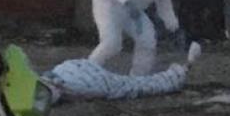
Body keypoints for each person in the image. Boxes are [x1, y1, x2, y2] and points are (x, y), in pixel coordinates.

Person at [42, 43, 202, 103]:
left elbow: (54, 93)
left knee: (137, 85)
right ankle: (182, 70)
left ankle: (181, 71)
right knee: (137, 84)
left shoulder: (89, 88)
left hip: (83, 79)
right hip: (70, 70)